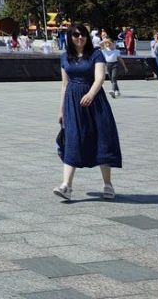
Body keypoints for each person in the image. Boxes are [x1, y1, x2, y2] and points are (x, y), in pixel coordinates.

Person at [53, 23, 122, 200]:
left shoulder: (96, 54)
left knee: (102, 138)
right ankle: (66, 186)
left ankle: (108, 184)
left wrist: (91, 94)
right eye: (76, 35)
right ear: (70, 38)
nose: (80, 38)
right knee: (73, 138)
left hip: (95, 101)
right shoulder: (65, 57)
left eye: (82, 34)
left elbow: (100, 77)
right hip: (72, 103)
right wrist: (61, 110)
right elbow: (64, 85)